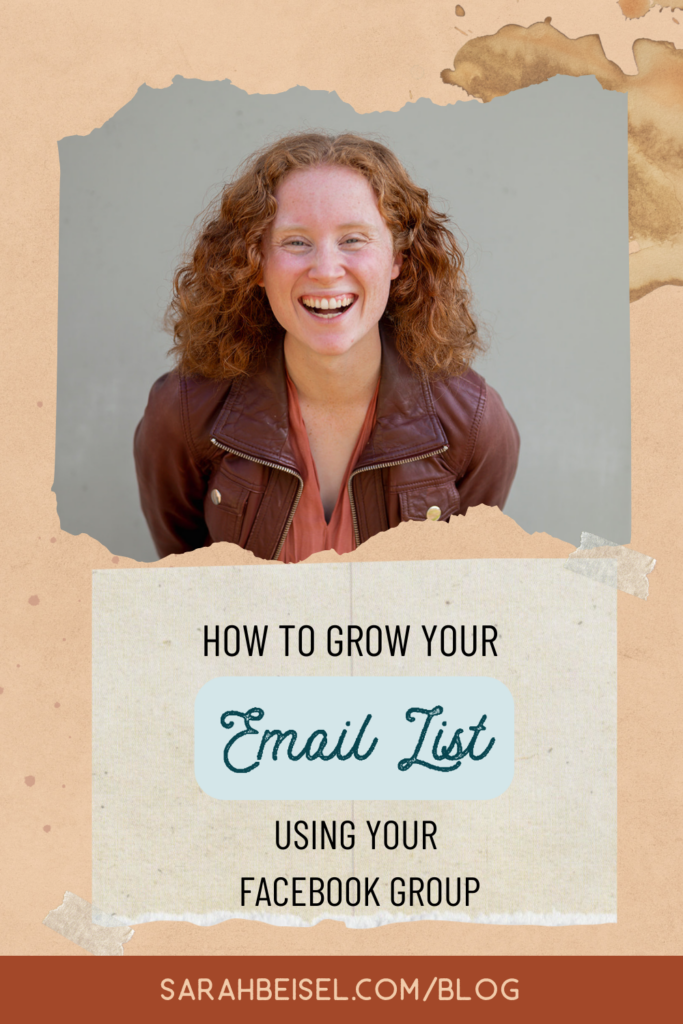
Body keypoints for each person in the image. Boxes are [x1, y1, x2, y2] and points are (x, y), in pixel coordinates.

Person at [134, 132, 519, 563]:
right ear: (255, 262)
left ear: (398, 259)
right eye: (296, 242)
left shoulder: (472, 422)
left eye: (353, 239)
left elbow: (460, 589)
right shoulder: (184, 412)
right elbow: (182, 573)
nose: (326, 270)